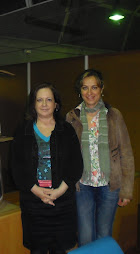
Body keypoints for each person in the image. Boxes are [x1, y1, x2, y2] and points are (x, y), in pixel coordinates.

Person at [12, 83, 83, 254]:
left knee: (60, 250)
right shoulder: (23, 131)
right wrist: (37, 191)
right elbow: (16, 167)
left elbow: (76, 164)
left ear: (56, 104)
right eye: (40, 100)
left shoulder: (66, 130)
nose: (44, 104)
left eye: (49, 100)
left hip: (63, 203)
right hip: (34, 204)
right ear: (34, 104)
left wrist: (59, 191)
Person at [66, 69, 135, 246]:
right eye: (85, 88)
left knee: (104, 235)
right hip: (83, 186)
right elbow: (67, 155)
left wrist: (127, 190)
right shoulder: (72, 117)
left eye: (94, 87)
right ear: (79, 90)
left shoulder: (114, 115)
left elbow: (125, 152)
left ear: (102, 88)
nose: (89, 93)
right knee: (85, 236)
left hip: (109, 186)